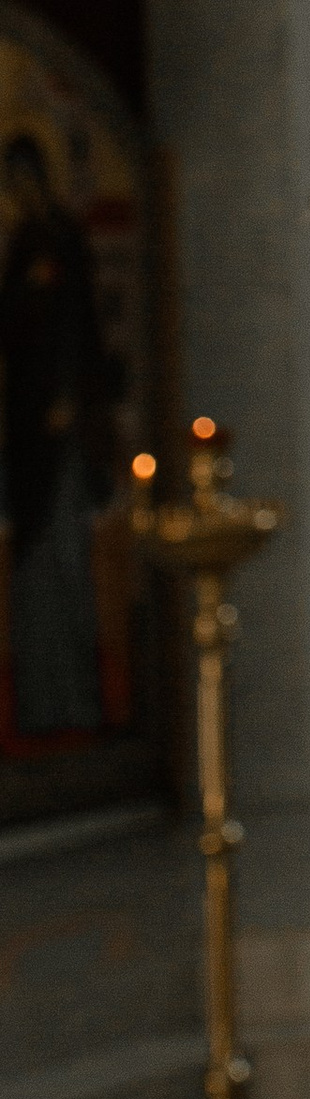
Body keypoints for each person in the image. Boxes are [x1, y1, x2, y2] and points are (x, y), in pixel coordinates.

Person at [1, 128, 119, 740]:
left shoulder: (65, 240)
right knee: (34, 571)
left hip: (61, 429)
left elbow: (81, 327)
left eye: (25, 179)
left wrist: (71, 396)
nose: (19, 193)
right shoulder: (22, 245)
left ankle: (76, 702)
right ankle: (43, 706)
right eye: (10, 184)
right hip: (26, 432)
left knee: (67, 562)